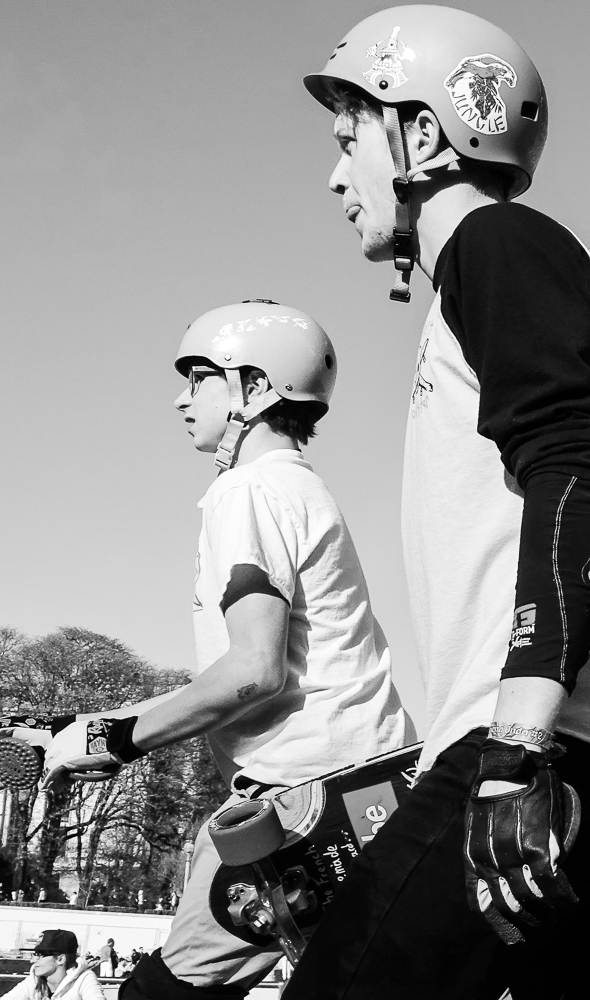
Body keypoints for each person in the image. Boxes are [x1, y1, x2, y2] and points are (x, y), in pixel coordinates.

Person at [287, 7, 590, 998]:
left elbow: (572, 470)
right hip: (579, 753)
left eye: (349, 141)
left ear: (421, 133)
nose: (336, 177)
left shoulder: (499, 245)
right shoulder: (482, 277)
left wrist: (514, 748)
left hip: (540, 755)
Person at [8, 302, 415, 1000]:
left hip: (300, 807)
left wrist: (116, 741)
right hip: (364, 786)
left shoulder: (247, 492)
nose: (180, 397)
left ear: (253, 391)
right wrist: (92, 730)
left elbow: (253, 672)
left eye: (198, 377)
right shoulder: (296, 487)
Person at [4, 931, 104, 1000]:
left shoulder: (84, 978)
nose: (32, 961)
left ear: (60, 959)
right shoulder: (34, 980)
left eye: (39, 956)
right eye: (34, 955)